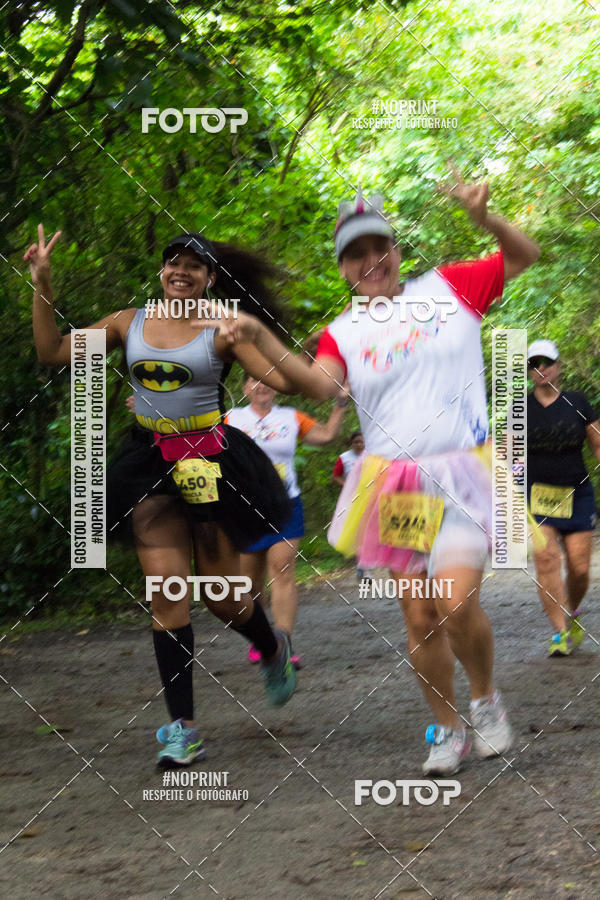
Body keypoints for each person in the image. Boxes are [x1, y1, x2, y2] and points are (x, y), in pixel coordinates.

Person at [201, 170, 540, 775]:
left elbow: (525, 255)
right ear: (342, 268)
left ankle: (486, 700)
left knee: (456, 603)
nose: (369, 261)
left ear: (395, 250)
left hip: (463, 475)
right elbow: (306, 383)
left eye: (377, 247)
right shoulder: (343, 333)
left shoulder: (451, 287)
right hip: (397, 487)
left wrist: (485, 218)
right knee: (418, 615)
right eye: (354, 254)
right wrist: (251, 334)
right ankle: (445, 728)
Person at [27, 227, 300, 768]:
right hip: (149, 465)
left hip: (210, 461)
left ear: (209, 279)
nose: (181, 270)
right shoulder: (129, 323)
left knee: (223, 598)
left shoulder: (222, 328)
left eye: (193, 265)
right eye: (172, 262)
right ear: (161, 272)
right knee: (167, 593)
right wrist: (42, 287)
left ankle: (272, 648)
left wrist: (247, 331)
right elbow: (52, 351)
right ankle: (184, 728)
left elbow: (282, 380)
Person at [226, 375, 348, 667]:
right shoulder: (230, 419)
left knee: (282, 569)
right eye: (254, 381)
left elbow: (327, 434)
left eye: (267, 381)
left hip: (285, 504)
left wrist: (341, 403)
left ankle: (284, 644)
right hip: (245, 508)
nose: (261, 386)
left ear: (277, 388)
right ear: (245, 388)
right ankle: (262, 640)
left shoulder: (291, 418)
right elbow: (196, 438)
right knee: (249, 583)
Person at [526, 339, 600, 656]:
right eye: (534, 364)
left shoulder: (578, 402)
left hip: (577, 491)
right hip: (536, 494)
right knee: (547, 560)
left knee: (580, 568)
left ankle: (570, 613)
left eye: (546, 362)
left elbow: (597, 446)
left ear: (558, 366)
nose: (541, 369)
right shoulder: (520, 406)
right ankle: (559, 634)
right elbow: (508, 451)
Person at [331, 432, 373, 582]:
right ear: (351, 443)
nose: (359, 445)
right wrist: (348, 486)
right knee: (358, 532)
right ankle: (364, 567)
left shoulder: (372, 456)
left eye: (362, 442)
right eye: (356, 442)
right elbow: (335, 476)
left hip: (371, 498)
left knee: (370, 531)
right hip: (352, 500)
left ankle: (367, 564)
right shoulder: (344, 458)